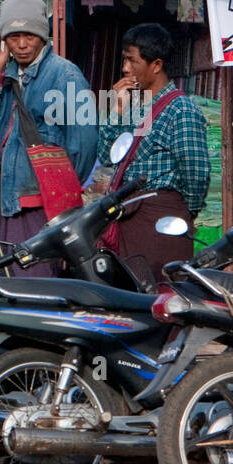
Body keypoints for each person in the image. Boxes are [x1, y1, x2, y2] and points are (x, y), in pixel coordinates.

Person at [0, 0, 98, 276]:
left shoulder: (65, 75)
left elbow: (85, 144)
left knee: (36, 283)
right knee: (12, 280)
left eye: (30, 35)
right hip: (8, 199)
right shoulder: (6, 75)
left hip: (42, 205)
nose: (23, 44)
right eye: (14, 37)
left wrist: (61, 191)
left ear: (43, 36)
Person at [96, 24, 210, 284]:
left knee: (159, 297)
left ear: (156, 65)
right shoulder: (134, 106)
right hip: (128, 219)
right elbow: (106, 156)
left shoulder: (181, 109)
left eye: (132, 61)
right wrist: (116, 110)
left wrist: (185, 211)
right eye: (124, 60)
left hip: (162, 221)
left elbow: (196, 172)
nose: (125, 69)